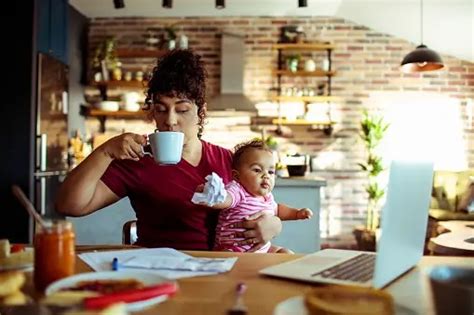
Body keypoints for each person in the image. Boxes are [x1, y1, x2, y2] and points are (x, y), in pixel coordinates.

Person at [55, 49, 282, 251]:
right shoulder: (137, 159)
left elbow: (262, 203)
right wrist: (104, 151)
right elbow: (70, 205)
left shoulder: (228, 160)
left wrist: (274, 224)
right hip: (157, 268)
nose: (170, 120)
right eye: (161, 109)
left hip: (218, 266)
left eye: (182, 110)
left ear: (200, 112)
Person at [192, 139, 313, 253]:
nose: (266, 176)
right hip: (232, 249)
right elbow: (226, 199)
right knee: (227, 257)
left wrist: (297, 213)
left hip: (262, 249)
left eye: (271, 172)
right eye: (257, 170)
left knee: (286, 253)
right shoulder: (238, 190)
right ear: (237, 176)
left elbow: (279, 210)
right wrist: (211, 196)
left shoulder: (268, 198)